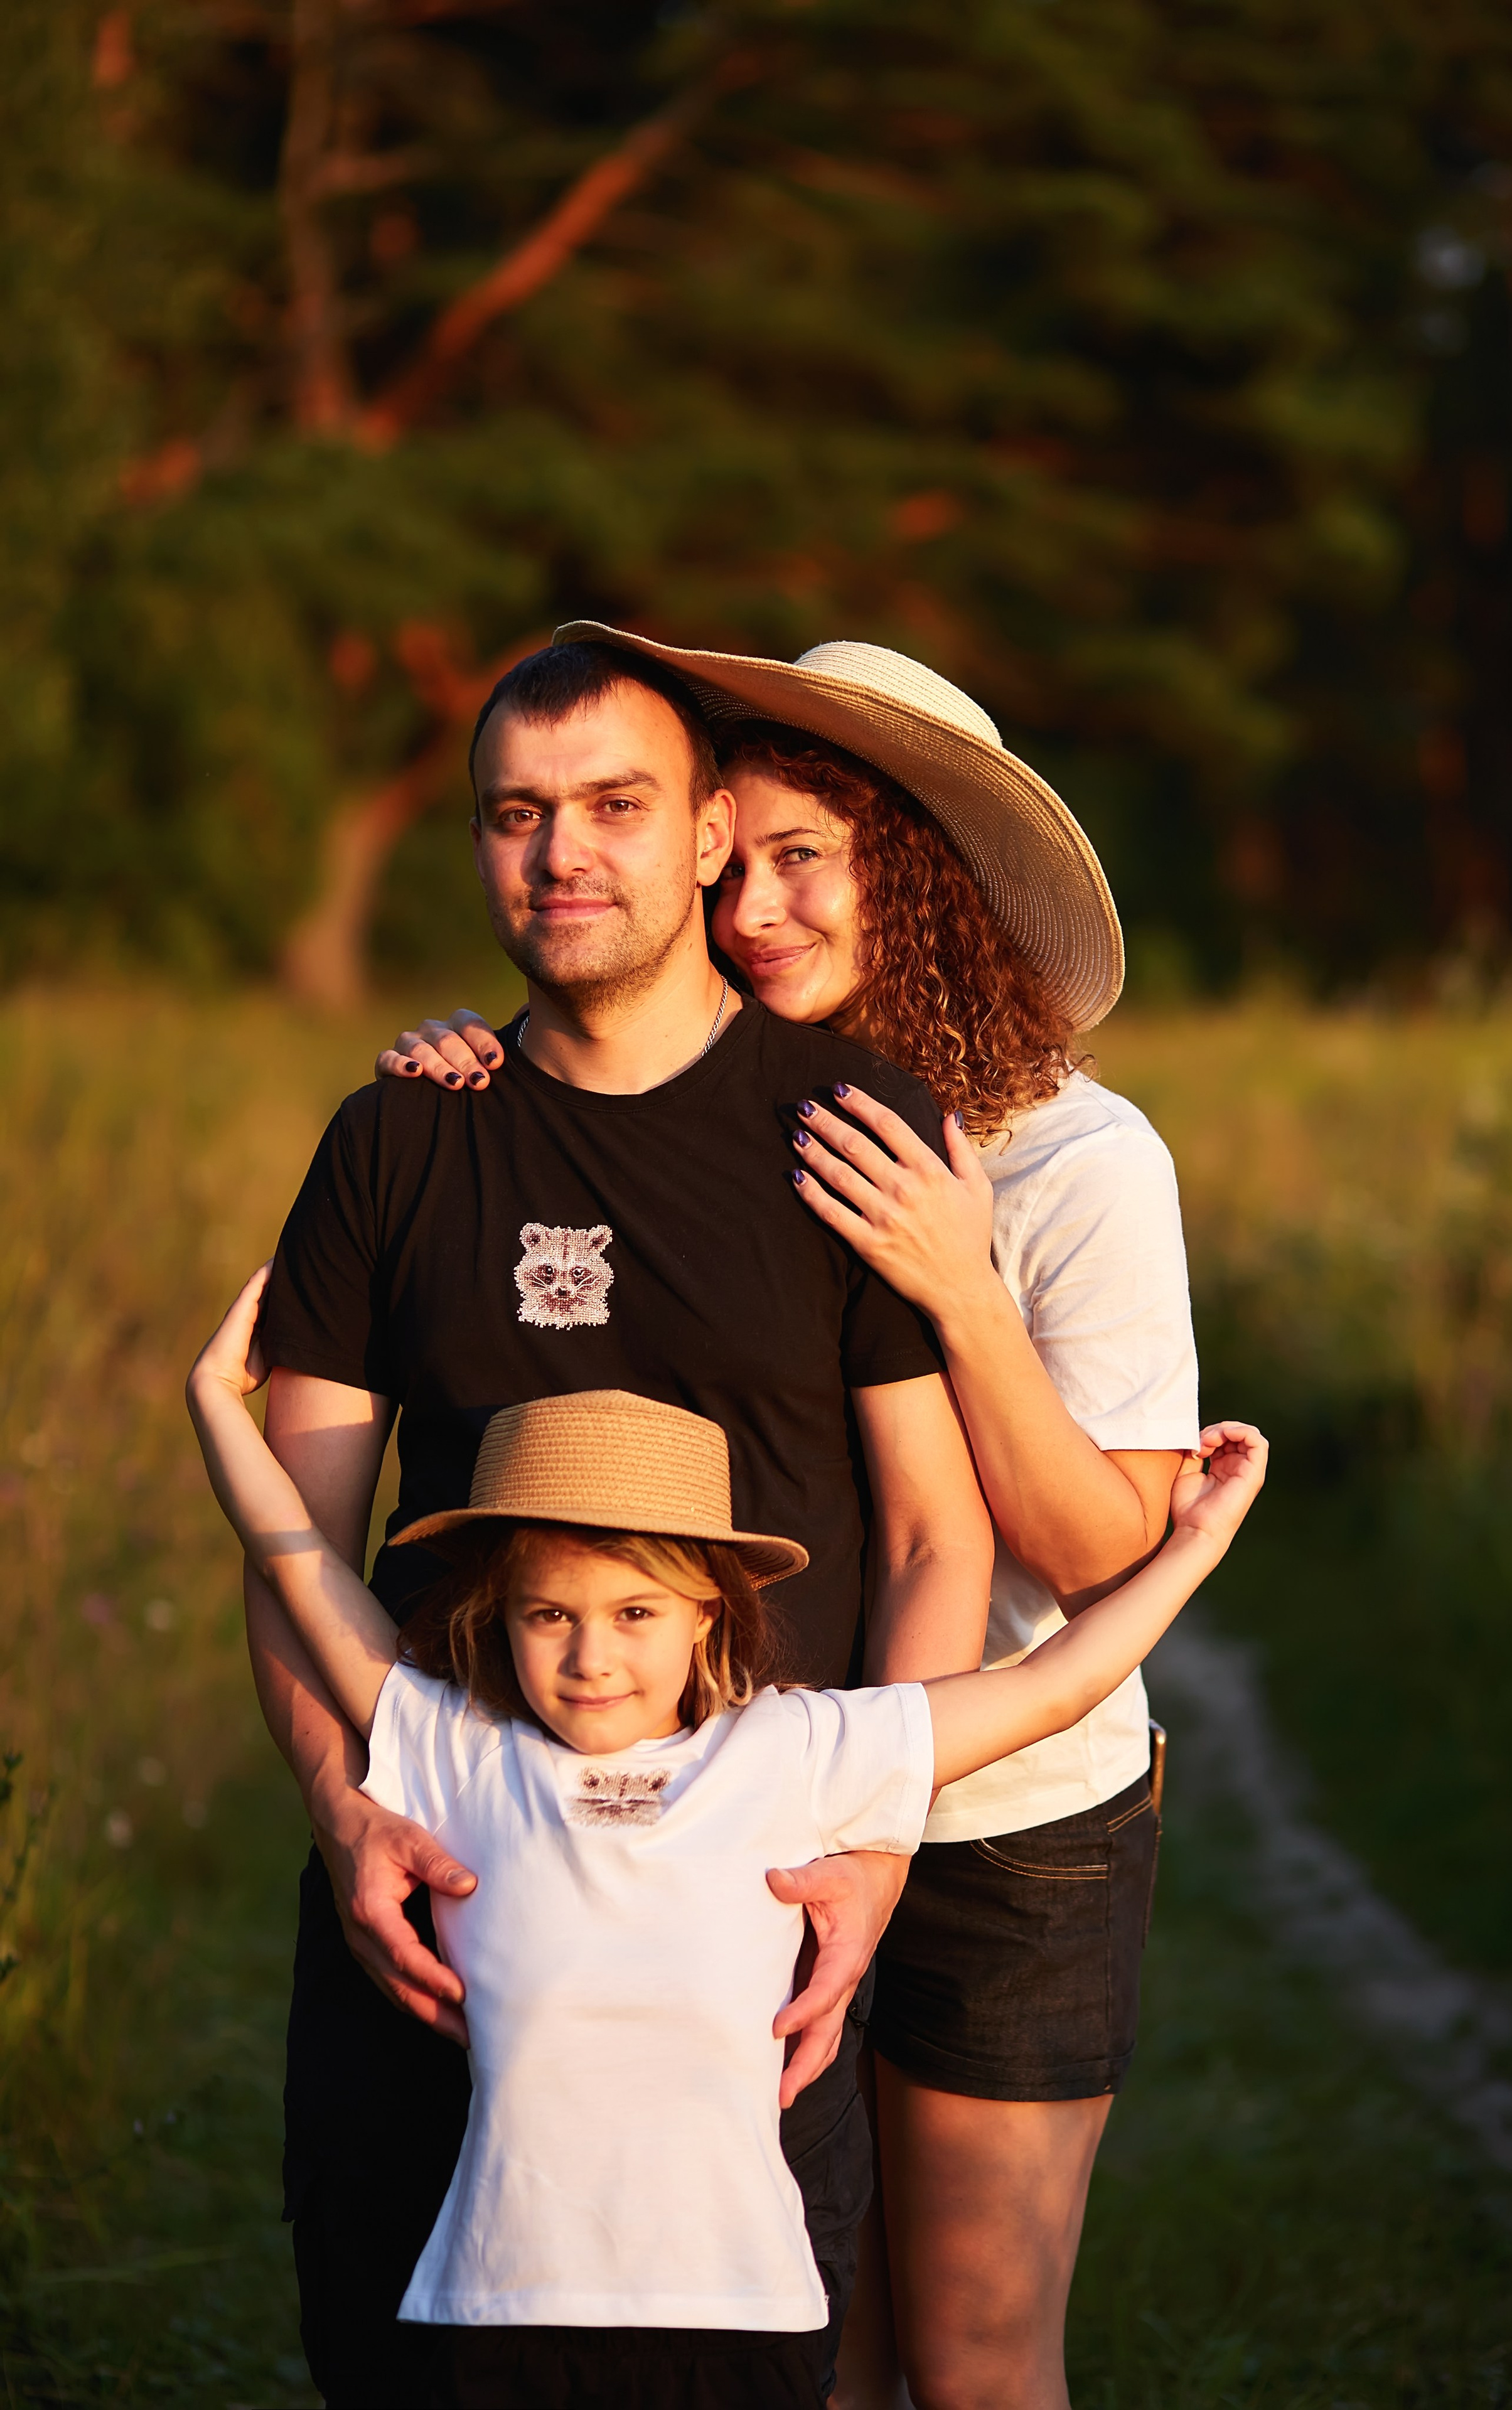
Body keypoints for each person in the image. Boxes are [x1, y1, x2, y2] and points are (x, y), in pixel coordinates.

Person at [383, 628, 1199, 2410]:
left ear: (912, 868)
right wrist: (476, 1076)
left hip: (1006, 1818)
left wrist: (963, 1294)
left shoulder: (1078, 1159)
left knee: (977, 2356)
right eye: (728, 857)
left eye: (803, 857)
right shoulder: (741, 1120)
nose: (752, 908)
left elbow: (1107, 1557)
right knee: (800, 2336)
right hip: (747, 1798)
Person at [249, 638, 997, 2407]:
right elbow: (295, 1554)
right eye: (517, 815)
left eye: (614, 808)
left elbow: (930, 1541)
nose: (562, 853)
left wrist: (869, 1867)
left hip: (740, 1938)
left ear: (713, 837)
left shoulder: (849, 1125)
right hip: (440, 1908)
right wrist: (347, 1817)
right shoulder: (396, 1142)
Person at [188, 1268, 1265, 2410]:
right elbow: (302, 1566)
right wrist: (216, 1401)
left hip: (740, 2312)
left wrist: (1195, 1542)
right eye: (549, 1615)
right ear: (498, 1618)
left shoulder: (792, 1752)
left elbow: (1052, 1685)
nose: (590, 1658)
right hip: (501, 2303)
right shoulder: (462, 1750)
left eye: (635, 1613)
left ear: (710, 1605)